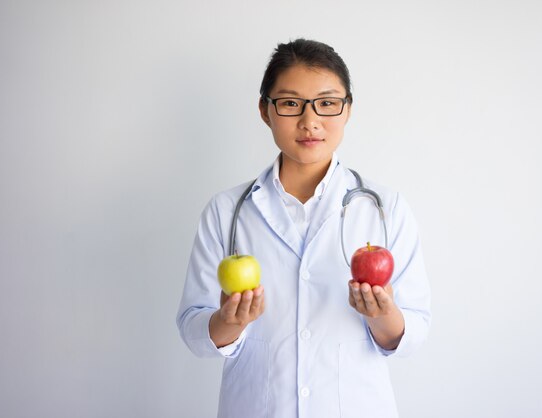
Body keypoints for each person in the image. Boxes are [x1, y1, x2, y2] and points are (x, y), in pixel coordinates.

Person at [176, 39, 431, 418]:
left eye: (327, 103)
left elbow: (414, 331)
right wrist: (227, 323)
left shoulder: (384, 208)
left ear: (347, 110)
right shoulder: (227, 211)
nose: (310, 121)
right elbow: (194, 330)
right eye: (291, 103)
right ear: (265, 110)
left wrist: (382, 315)